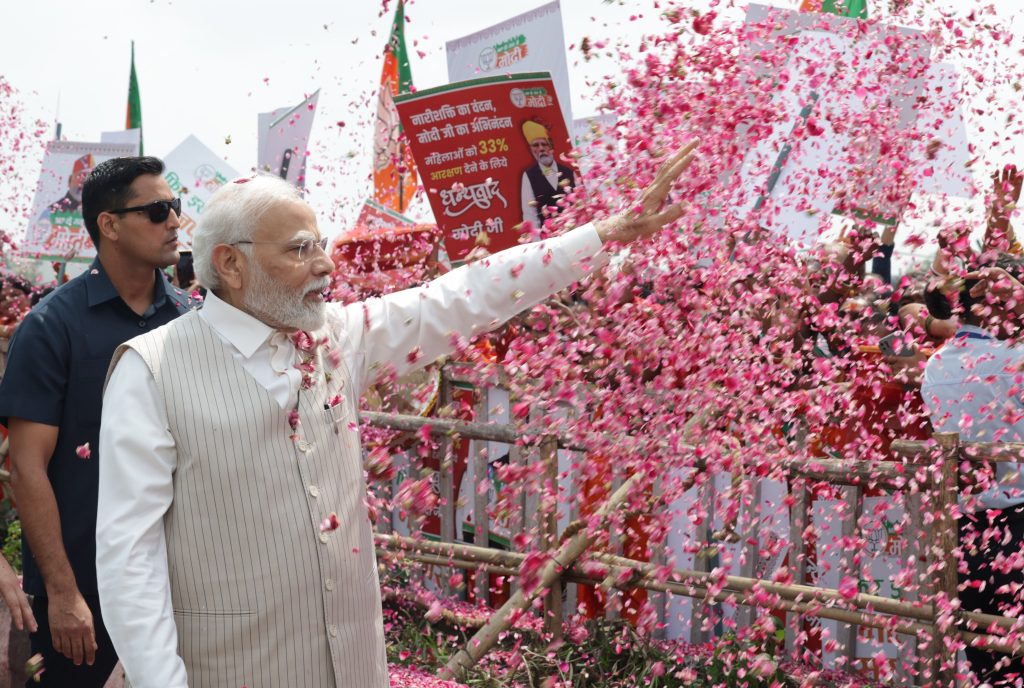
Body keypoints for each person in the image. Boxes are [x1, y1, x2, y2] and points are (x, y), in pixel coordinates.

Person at [95, 141, 699, 688]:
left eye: (321, 246)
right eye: (300, 250)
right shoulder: (149, 371)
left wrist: (602, 235)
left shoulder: (338, 338)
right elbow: (130, 557)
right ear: (229, 264)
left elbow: (463, 296)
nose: (326, 266)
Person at [0, 156, 194, 687]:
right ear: (108, 224)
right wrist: (63, 593)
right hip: (83, 598)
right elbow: (27, 469)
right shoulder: (50, 328)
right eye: (157, 210)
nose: (174, 221)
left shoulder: (189, 320)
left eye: (175, 207)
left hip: (178, 595)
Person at [921, 258, 1024, 685]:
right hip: (1017, 521)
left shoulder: (935, 366)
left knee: (988, 658)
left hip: (966, 529)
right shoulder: (1014, 359)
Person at [519, 119, 578, 228]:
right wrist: (539, 244)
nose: (541, 148)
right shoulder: (529, 176)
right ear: (531, 150)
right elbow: (529, 214)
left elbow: (580, 204)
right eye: (536, 145)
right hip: (548, 241)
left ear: (551, 147)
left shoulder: (568, 172)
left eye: (544, 144)